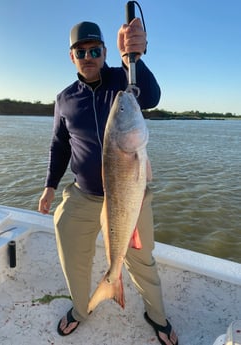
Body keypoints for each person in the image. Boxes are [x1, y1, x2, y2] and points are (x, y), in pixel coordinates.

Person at [38, 19, 178, 345]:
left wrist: (134, 57)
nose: (88, 56)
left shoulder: (122, 80)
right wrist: (49, 186)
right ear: (72, 56)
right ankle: (80, 308)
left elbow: (152, 96)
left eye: (95, 50)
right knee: (65, 234)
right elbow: (59, 146)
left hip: (130, 195)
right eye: (81, 51)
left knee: (142, 259)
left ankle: (156, 316)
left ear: (104, 52)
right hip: (84, 193)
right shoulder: (64, 99)